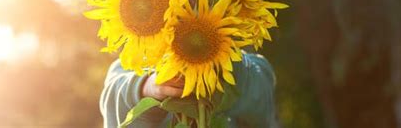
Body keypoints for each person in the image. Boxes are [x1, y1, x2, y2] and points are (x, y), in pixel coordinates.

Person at [99, 52, 280, 127]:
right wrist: (146, 87)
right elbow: (115, 95)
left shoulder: (245, 65)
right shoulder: (131, 63)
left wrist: (219, 61)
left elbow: (261, 94)